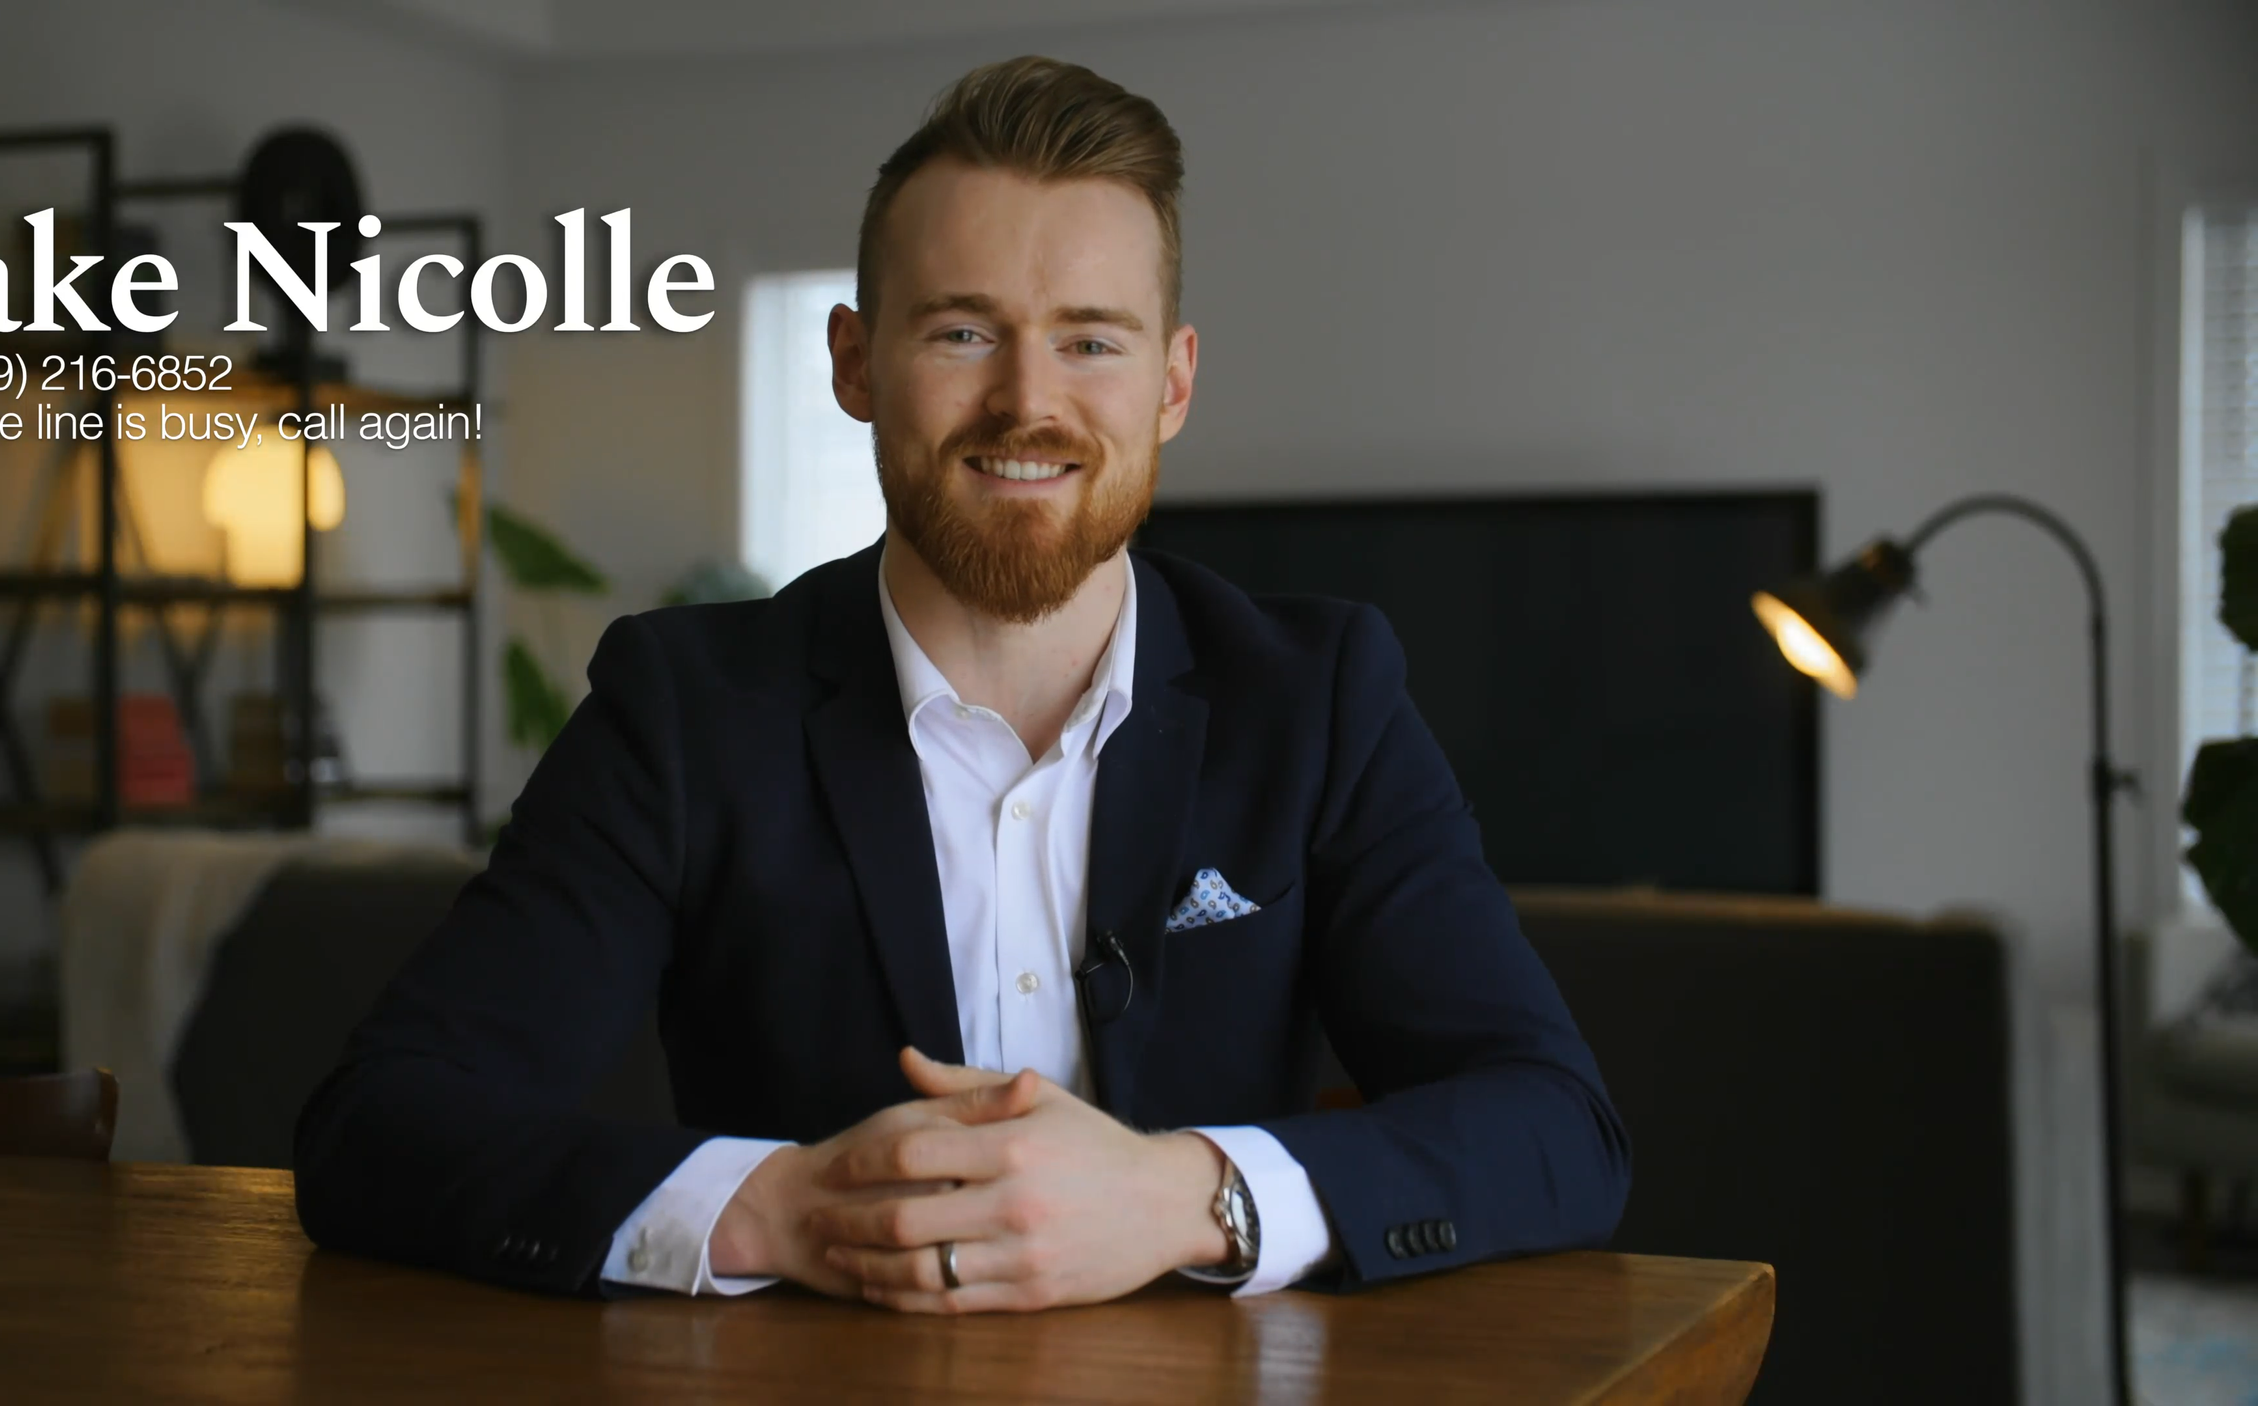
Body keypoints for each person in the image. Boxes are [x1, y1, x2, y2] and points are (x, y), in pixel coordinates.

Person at [294, 54, 1628, 1313]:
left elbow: (1554, 1125)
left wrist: (1187, 1193)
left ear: (1172, 384)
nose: (1026, 401)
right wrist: (771, 1208)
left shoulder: (1321, 697)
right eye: (963, 333)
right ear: (855, 363)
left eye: (1092, 341)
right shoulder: (684, 713)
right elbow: (384, 1123)